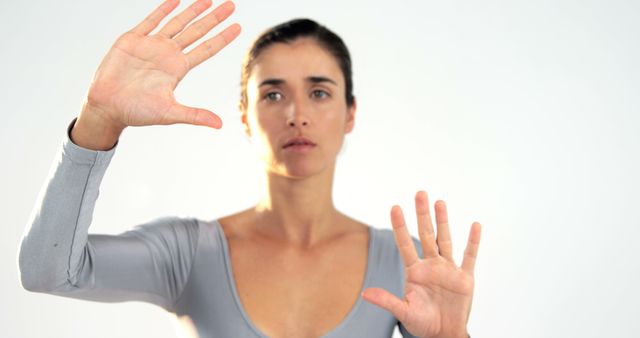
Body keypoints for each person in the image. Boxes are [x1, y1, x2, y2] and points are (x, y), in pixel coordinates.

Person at [18, 0, 482, 337]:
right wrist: (98, 120)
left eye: (319, 92)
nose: (296, 113)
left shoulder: (408, 264)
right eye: (273, 94)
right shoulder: (188, 253)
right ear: (244, 114)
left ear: (350, 113)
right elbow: (49, 271)